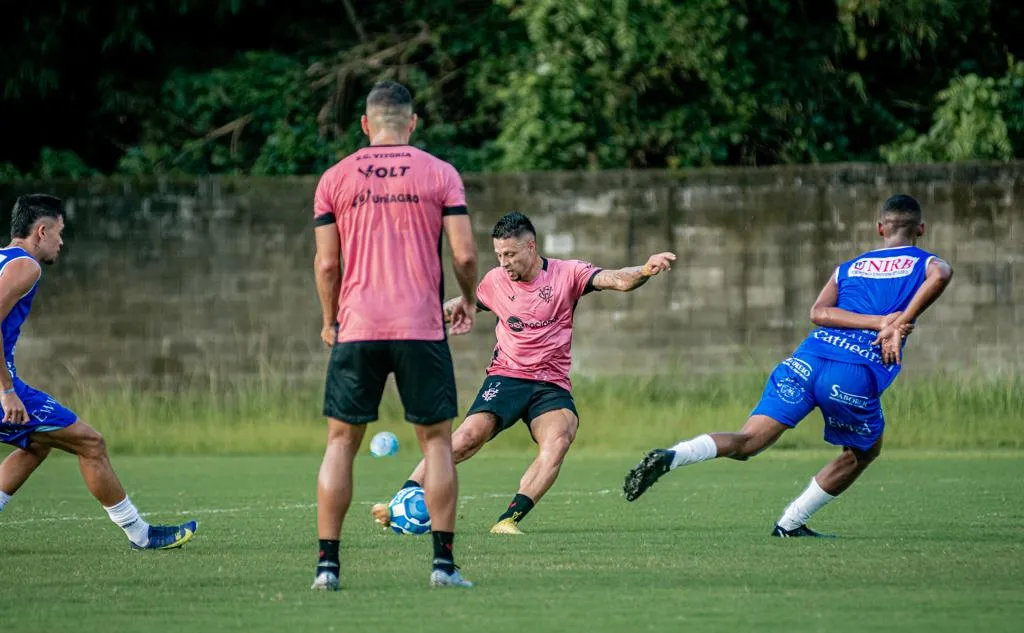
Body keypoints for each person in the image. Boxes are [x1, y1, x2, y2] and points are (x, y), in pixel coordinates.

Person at [622, 194, 953, 537]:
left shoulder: (850, 267)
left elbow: (818, 313)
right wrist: (895, 323)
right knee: (863, 452)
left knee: (747, 441)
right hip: (852, 371)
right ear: (921, 229)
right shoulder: (924, 262)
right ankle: (790, 523)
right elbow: (942, 273)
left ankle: (674, 455)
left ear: (880, 228)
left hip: (807, 359)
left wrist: (876, 321)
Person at [372, 211, 676, 534]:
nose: (504, 262)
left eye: (510, 254)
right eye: (499, 255)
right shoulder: (494, 283)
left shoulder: (566, 274)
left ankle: (508, 519)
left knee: (559, 438)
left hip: (550, 384)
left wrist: (644, 270)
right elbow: (460, 306)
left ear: (531, 247)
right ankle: (402, 497)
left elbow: (616, 278)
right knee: (466, 438)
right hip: (507, 376)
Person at [311, 80, 478, 590]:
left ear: (365, 124)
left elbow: (326, 263)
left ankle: (327, 568)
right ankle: (443, 567)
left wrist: (329, 318)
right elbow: (466, 255)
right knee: (437, 446)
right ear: (413, 123)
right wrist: (469, 299)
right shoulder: (440, 173)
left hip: (357, 325)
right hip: (420, 326)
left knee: (341, 442)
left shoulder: (335, 177)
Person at [0, 194, 198, 549]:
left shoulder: (2, 259)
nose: (62, 242)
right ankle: (141, 534)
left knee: (37, 444)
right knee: (91, 443)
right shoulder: (26, 266)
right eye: (59, 233)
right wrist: (7, 390)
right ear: (41, 231)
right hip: (2, 388)